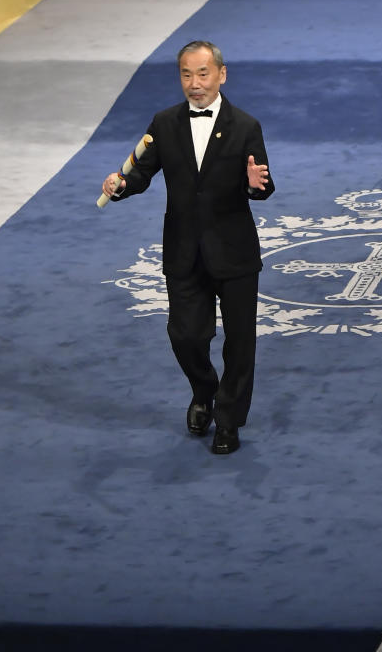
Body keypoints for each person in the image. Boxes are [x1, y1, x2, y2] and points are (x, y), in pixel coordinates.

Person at [100, 40, 273, 455]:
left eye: (203, 74)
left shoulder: (246, 126)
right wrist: (121, 186)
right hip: (183, 251)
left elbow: (264, 185)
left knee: (240, 342)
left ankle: (228, 420)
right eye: (186, 74)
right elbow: (141, 171)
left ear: (221, 74)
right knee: (186, 336)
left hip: (233, 252)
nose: (194, 83)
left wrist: (255, 186)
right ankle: (205, 391)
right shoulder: (163, 123)